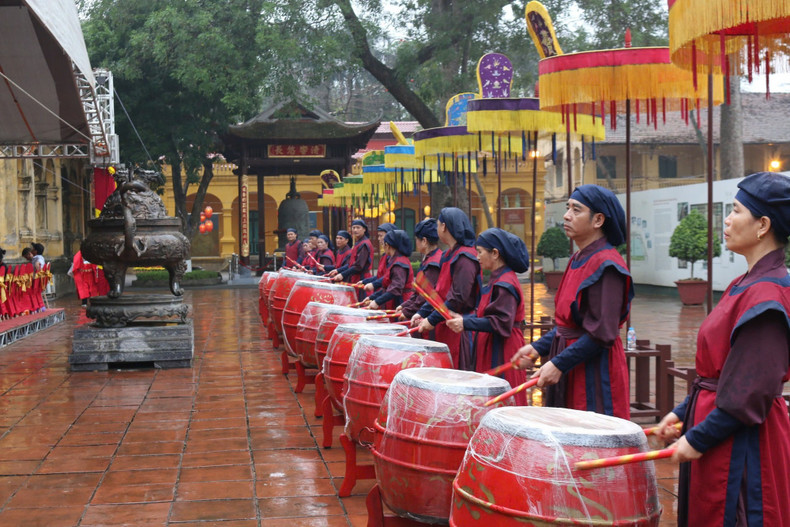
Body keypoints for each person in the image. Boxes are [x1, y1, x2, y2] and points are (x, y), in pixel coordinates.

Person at [655, 172, 790, 527]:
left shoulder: (767, 296)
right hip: (717, 426)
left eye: (735, 211)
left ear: (763, 225)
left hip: (743, 440)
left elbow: (752, 390)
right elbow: (721, 369)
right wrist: (684, 411)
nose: (727, 220)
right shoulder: (745, 283)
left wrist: (700, 436)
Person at [511, 184, 633, 419]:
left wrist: (559, 363)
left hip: (594, 370)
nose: (566, 216)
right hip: (571, 362)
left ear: (598, 220)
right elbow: (569, 325)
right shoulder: (578, 258)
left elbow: (602, 334)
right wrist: (538, 347)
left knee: (589, 432)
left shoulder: (607, 265)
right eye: (568, 208)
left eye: (576, 210)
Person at [447, 228, 529, 403]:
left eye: (480, 252)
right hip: (492, 346)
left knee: (503, 404)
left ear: (495, 253)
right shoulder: (497, 278)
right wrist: (463, 319)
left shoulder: (505, 282)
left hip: (503, 350)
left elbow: (501, 322)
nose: (477, 257)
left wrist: (466, 323)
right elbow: (487, 314)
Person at [414, 207, 481, 370]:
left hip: (458, 327)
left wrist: (431, 319)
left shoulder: (465, 257)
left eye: (438, 224)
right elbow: (438, 294)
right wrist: (422, 313)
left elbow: (458, 297)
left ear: (443, 227)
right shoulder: (447, 255)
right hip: (444, 324)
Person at [398, 218, 442, 320]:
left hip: (429, 316)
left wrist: (408, 311)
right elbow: (418, 292)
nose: (416, 242)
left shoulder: (433, 263)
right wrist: (405, 305)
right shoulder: (429, 258)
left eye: (417, 239)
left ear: (424, 241)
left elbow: (426, 295)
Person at [367, 229, 414, 310]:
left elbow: (395, 288)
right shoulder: (394, 260)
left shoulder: (399, 264)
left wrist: (377, 302)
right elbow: (388, 285)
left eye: (384, 244)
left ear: (387, 245)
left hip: (401, 303)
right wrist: (372, 297)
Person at [330, 219, 373, 299]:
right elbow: (351, 264)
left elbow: (358, 266)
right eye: (353, 227)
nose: (355, 230)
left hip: (362, 278)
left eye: (358, 227)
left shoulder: (364, 244)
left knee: (361, 302)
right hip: (356, 278)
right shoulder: (358, 242)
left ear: (364, 229)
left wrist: (343, 274)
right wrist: (338, 271)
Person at [362, 223, 396, 293]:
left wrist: (373, 285)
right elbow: (380, 276)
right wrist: (364, 281)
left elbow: (388, 278)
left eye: (381, 236)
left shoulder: (393, 257)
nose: (379, 239)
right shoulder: (385, 255)